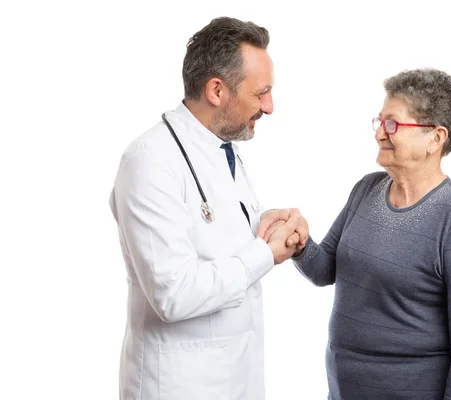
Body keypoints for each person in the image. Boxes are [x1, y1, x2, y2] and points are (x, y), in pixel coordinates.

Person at [260, 68, 451, 399]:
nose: (379, 134)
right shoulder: (367, 189)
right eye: (380, 121)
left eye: (393, 124)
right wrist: (301, 243)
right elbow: (325, 268)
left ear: (435, 138)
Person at [108, 17, 307, 400]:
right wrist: (264, 253)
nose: (269, 106)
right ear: (217, 90)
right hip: (180, 385)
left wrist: (264, 223)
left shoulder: (221, 147)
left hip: (236, 377)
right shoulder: (150, 161)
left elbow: (220, 231)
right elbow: (173, 293)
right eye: (260, 92)